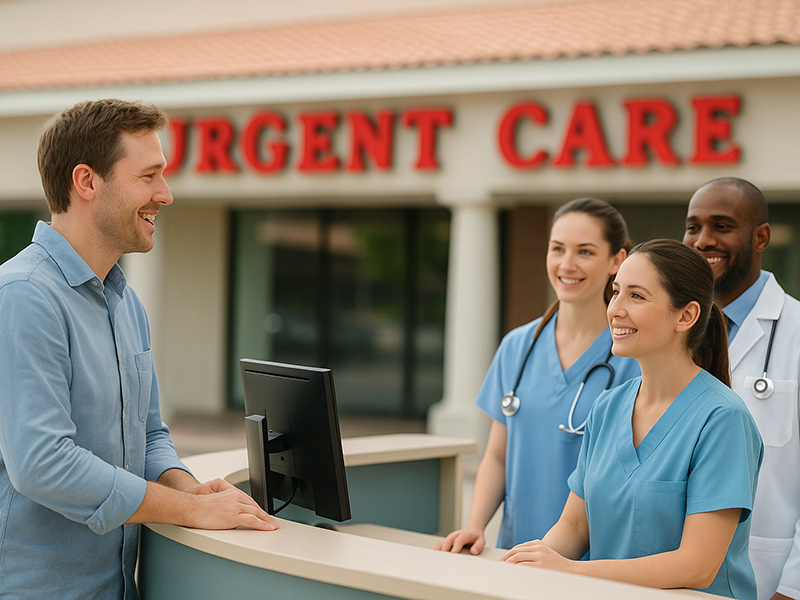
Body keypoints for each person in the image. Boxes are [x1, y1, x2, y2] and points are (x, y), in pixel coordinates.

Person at [0, 99, 278, 600]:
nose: (165, 195)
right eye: (148, 176)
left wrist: (185, 486)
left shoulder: (125, 303)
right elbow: (42, 462)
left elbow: (148, 436)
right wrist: (189, 511)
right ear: (86, 182)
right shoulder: (23, 296)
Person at [501, 239, 763, 599]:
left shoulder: (723, 420)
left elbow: (698, 566)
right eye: (616, 292)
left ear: (685, 316)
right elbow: (576, 526)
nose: (615, 309)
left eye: (637, 296)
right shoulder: (607, 407)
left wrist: (573, 571)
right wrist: (533, 566)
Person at [434, 197, 640, 555]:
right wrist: (475, 525)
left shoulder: (633, 356)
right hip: (517, 551)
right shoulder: (517, 346)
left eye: (585, 252)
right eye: (557, 248)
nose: (567, 264)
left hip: (594, 560)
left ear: (616, 261)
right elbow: (497, 455)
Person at [684, 178, 800, 600]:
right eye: (693, 226)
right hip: (672, 575)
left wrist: (791, 588)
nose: (703, 240)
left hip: (767, 578)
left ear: (761, 237)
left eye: (722, 226)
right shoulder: (672, 332)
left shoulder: (797, 334)